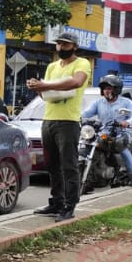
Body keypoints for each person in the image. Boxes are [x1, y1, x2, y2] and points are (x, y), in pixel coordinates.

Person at [28, 32, 91, 222]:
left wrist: (46, 86)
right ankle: (56, 202)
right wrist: (37, 87)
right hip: (48, 120)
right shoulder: (52, 66)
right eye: (59, 44)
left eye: (65, 45)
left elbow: (76, 82)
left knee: (69, 165)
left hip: (68, 121)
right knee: (52, 164)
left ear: (74, 47)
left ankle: (69, 206)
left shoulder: (82, 63)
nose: (61, 47)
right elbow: (43, 93)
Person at [81, 74, 132, 188]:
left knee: (121, 146)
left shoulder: (126, 102)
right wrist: (76, 118)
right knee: (89, 144)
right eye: (104, 88)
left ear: (116, 89)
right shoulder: (99, 102)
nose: (106, 91)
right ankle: (90, 177)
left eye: (109, 88)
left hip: (121, 132)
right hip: (104, 132)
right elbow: (86, 113)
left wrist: (127, 122)